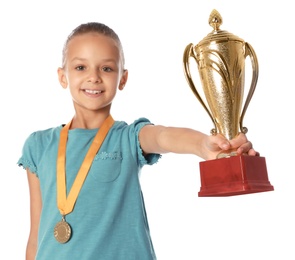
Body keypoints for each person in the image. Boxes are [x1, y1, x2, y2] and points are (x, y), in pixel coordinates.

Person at [17, 22, 258, 260]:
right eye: (81, 67)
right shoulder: (38, 146)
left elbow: (162, 136)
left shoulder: (128, 137)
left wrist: (202, 145)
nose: (94, 77)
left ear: (123, 78)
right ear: (63, 76)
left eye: (107, 69)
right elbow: (36, 238)